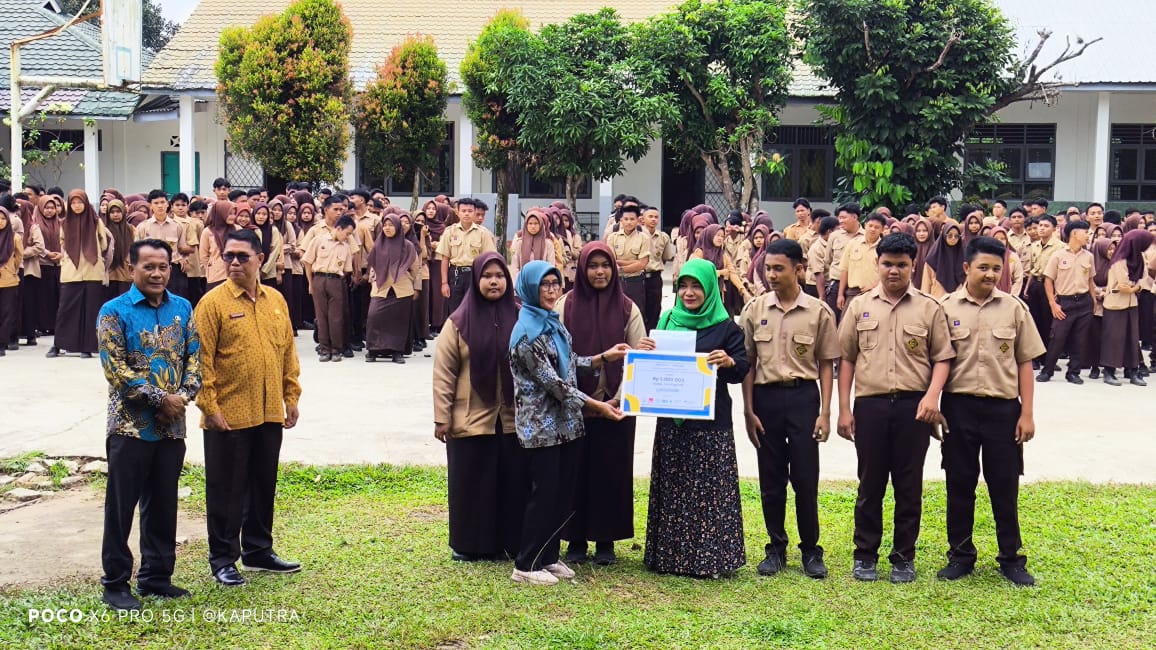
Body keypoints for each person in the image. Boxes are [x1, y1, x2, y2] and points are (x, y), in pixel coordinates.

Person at [836, 233, 955, 583]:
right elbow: (847, 359)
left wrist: (932, 397)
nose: (894, 270)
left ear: (913, 266)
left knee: (908, 486)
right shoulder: (859, 306)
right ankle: (865, 555)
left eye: (902, 264)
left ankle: (904, 556)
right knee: (869, 485)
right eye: (887, 263)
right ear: (877, 264)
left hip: (913, 408)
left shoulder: (929, 308)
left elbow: (943, 357)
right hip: (870, 406)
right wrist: (844, 408)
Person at [97, 239, 202, 611]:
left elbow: (194, 359)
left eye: (163, 266)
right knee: (121, 507)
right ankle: (115, 584)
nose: (157, 273)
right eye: (149, 266)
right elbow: (115, 370)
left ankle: (156, 577)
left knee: (163, 503)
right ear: (132, 269)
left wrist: (182, 398)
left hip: (172, 427)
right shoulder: (114, 311)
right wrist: (161, 399)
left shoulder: (182, 308)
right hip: (130, 427)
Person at [507, 260, 627, 586]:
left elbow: (570, 363)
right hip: (541, 429)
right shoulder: (527, 334)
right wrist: (598, 407)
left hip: (566, 426)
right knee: (544, 495)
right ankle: (526, 564)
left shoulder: (552, 325)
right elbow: (555, 385)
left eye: (555, 284)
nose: (551, 291)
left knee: (561, 495)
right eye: (544, 285)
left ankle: (547, 557)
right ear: (530, 288)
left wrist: (605, 357)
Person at [194, 229, 302, 587]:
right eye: (229, 256)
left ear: (261, 260)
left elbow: (287, 353)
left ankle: (258, 550)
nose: (235, 262)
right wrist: (209, 406)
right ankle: (223, 558)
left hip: (269, 411)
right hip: (228, 414)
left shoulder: (276, 301)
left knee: (261, 483)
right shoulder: (212, 304)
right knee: (226, 489)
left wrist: (291, 397)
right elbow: (200, 361)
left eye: (243, 256)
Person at [938, 236, 1045, 587]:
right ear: (966, 267)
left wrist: (1027, 413)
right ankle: (961, 555)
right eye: (983, 267)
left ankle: (1010, 558)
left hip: (1003, 410)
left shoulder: (1014, 308)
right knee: (959, 483)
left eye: (996, 269)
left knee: (1004, 486)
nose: (990, 274)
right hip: (958, 407)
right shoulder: (945, 308)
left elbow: (1025, 362)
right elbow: (936, 362)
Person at [640, 258, 750, 578]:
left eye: (696, 286)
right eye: (683, 286)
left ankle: (710, 561)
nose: (689, 293)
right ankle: (669, 558)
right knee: (673, 488)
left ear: (710, 289)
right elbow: (653, 368)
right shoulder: (667, 320)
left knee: (708, 492)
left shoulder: (726, 327)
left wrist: (729, 361)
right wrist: (644, 351)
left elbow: (741, 369)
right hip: (672, 422)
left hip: (710, 424)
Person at [740, 239, 839, 579]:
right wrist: (748, 410)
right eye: (768, 268)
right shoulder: (754, 310)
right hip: (765, 400)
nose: (771, 275)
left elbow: (826, 363)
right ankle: (776, 548)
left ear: (798, 269)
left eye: (778, 269)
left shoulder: (818, 312)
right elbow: (748, 363)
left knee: (805, 478)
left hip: (803, 399)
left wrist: (825, 412)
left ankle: (811, 550)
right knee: (771, 479)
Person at [433, 252, 526, 562]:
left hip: (512, 420)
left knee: (511, 484)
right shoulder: (458, 322)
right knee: (471, 485)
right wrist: (442, 417)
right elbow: (444, 372)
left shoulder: (521, 317)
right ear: (475, 280)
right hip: (469, 419)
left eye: (499, 276)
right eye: (487, 276)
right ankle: (469, 545)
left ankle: (509, 543)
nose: (493, 281)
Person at [557, 242, 646, 566]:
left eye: (605, 265)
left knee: (611, 473)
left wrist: (619, 398)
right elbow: (559, 356)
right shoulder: (565, 305)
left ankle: (606, 541)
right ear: (582, 269)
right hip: (575, 406)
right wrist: (578, 398)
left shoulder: (628, 308)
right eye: (592, 265)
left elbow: (638, 357)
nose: (599, 272)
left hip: (616, 408)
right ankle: (576, 540)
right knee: (574, 473)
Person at [48, 190, 111, 359]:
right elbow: (62, 242)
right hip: (71, 271)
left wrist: (91, 253)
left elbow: (104, 243)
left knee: (91, 310)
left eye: (80, 202)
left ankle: (87, 347)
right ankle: (59, 344)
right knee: (66, 309)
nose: (77, 206)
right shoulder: (64, 223)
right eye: (73, 203)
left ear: (86, 203)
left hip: (92, 270)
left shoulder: (96, 221)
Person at [1038, 221, 1094, 384]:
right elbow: (1048, 280)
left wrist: (1093, 302)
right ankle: (1047, 371)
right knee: (1057, 338)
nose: (1088, 236)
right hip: (1064, 303)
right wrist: (1053, 304)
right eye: (1085, 232)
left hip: (1084, 302)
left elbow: (1090, 280)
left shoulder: (1088, 256)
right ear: (1074, 233)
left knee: (1080, 339)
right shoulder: (1058, 255)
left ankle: (1073, 372)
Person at [1100, 229, 1155, 386]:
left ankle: (1132, 370)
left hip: (1132, 303)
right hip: (1116, 304)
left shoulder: (1139, 258)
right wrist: (1135, 287)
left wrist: (1134, 287)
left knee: (1132, 338)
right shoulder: (1119, 260)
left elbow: (1145, 278)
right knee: (1114, 338)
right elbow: (1123, 285)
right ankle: (1109, 371)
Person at [365, 215, 421, 363]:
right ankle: (373, 350)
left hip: (401, 289)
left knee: (398, 321)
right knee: (374, 317)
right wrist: (373, 282)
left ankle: (397, 352)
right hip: (381, 287)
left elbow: (415, 268)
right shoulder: (378, 244)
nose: (387, 228)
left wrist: (413, 284)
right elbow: (373, 265)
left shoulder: (407, 246)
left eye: (391, 225)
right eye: (385, 225)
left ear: (397, 227)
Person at [303, 215, 357, 362]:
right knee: (321, 316)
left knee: (336, 317)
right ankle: (324, 349)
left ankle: (336, 349)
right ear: (339, 228)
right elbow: (308, 262)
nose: (347, 237)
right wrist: (310, 283)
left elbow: (347, 269)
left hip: (336, 281)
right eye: (347, 233)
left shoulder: (346, 247)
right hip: (318, 279)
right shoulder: (318, 240)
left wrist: (337, 279)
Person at [606, 203, 651, 313]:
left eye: (632, 219)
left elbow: (642, 264)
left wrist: (620, 268)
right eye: (626, 219)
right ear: (621, 220)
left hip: (636, 282)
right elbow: (611, 262)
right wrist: (634, 262)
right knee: (615, 312)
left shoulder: (644, 238)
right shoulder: (612, 238)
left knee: (636, 312)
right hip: (617, 282)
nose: (629, 222)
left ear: (638, 220)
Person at [837, 211, 886, 311]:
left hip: (876, 293)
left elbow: (887, 272)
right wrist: (840, 294)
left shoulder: (885, 247)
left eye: (877, 227)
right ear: (865, 225)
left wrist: (875, 286)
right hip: (853, 293)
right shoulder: (853, 244)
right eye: (870, 226)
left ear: (882, 229)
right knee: (847, 320)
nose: (873, 229)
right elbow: (845, 270)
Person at [642, 206, 674, 332]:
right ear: (643, 219)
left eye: (656, 217)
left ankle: (651, 335)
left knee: (654, 309)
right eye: (650, 216)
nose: (653, 219)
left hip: (654, 278)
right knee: (639, 309)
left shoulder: (663, 237)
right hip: (638, 278)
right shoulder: (638, 235)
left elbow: (666, 257)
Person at [509, 209, 556, 282]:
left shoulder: (548, 244)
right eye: (530, 223)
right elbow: (515, 266)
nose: (533, 226)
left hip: (542, 281)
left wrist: (545, 281)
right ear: (526, 225)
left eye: (536, 223)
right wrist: (519, 282)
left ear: (541, 224)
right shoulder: (519, 243)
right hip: (523, 281)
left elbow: (550, 265)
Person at [199, 200, 236, 291]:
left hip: (234, 273)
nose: (233, 217)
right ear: (220, 213)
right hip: (216, 275)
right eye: (229, 214)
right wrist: (213, 265)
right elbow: (203, 256)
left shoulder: (237, 229)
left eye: (234, 214)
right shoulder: (207, 232)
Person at [921, 222, 965, 298]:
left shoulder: (962, 258)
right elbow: (926, 285)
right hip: (937, 300)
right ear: (944, 235)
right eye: (950, 235)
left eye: (956, 236)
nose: (953, 238)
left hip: (957, 300)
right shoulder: (932, 258)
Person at [0, 208, 22, 354]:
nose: (0, 222)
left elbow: (19, 257)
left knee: (6, 313)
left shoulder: (14, 237)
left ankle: (2, 343)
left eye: (3, 218)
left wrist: (11, 269)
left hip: (8, 279)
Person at [103, 200, 135, 299]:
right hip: (109, 273)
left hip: (126, 272)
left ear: (123, 212)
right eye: (112, 212)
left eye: (118, 211)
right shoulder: (104, 230)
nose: (115, 214)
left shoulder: (131, 229)